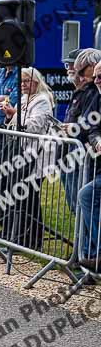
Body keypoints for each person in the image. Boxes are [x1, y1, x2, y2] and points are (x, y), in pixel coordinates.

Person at [0, 67, 55, 250]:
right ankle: (17, 236)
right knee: (18, 195)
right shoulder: (22, 99)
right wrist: (10, 115)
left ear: (36, 82)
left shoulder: (42, 100)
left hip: (36, 155)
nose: (23, 85)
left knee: (28, 196)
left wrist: (17, 118)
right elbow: (14, 124)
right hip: (20, 152)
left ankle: (27, 239)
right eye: (21, 82)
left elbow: (35, 125)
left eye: (26, 81)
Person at [62, 49, 101, 213]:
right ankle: (85, 238)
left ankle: (90, 239)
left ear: (92, 66)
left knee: (85, 201)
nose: (78, 75)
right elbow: (94, 129)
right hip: (78, 154)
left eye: (81, 71)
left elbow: (90, 124)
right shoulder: (84, 90)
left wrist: (75, 129)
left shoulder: (93, 92)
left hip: (88, 158)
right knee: (79, 206)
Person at [78, 61, 101, 270]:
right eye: (95, 76)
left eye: (100, 76)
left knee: (86, 194)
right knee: (86, 195)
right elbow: (93, 129)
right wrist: (97, 141)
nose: (96, 81)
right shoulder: (98, 98)